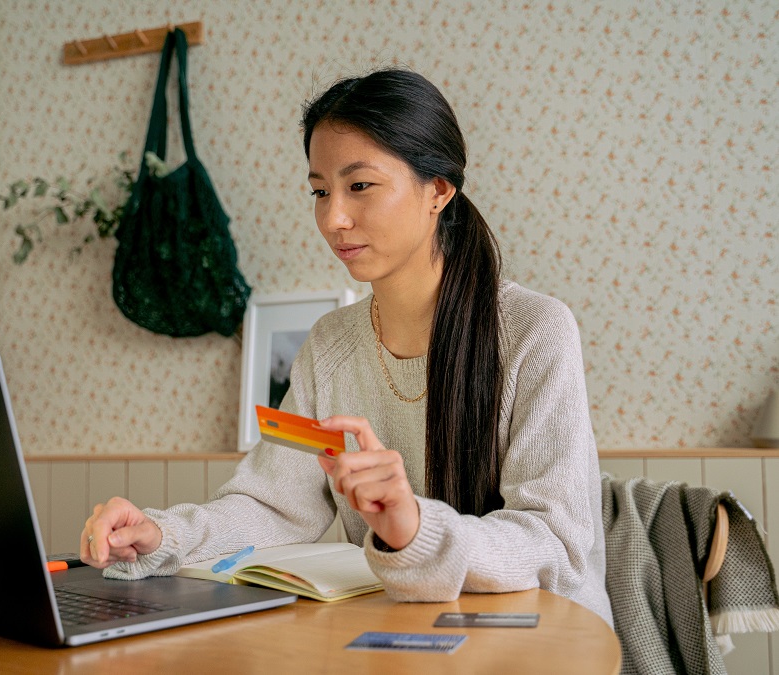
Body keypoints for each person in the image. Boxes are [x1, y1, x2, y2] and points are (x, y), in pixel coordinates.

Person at [80, 69, 613, 626]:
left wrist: (415, 527)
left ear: (438, 189)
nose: (333, 218)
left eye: (359, 186)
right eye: (319, 190)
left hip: (541, 640)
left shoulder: (535, 329)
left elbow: (554, 540)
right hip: (410, 637)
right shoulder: (330, 345)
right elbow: (274, 505)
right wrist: (161, 534)